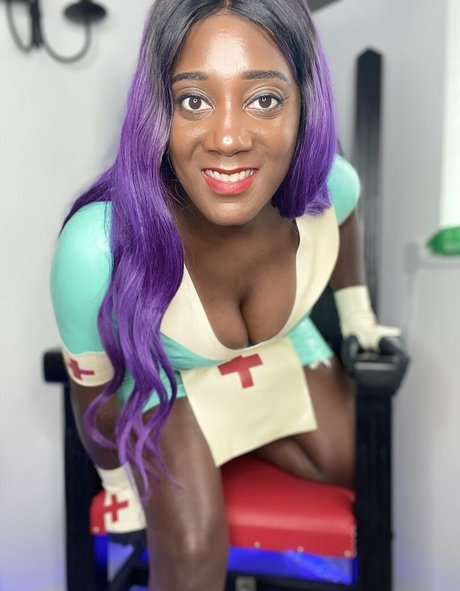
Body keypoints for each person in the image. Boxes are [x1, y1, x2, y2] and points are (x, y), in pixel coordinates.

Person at [51, 1, 401, 589]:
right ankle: (200, 446)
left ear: (305, 101)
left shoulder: (330, 187)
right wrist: (118, 485)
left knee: (354, 462)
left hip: (283, 350)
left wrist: (358, 316)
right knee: (191, 553)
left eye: (263, 99)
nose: (229, 138)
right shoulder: (98, 247)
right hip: (168, 385)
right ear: (158, 108)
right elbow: (92, 391)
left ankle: (227, 443)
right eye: (194, 100)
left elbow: (345, 215)